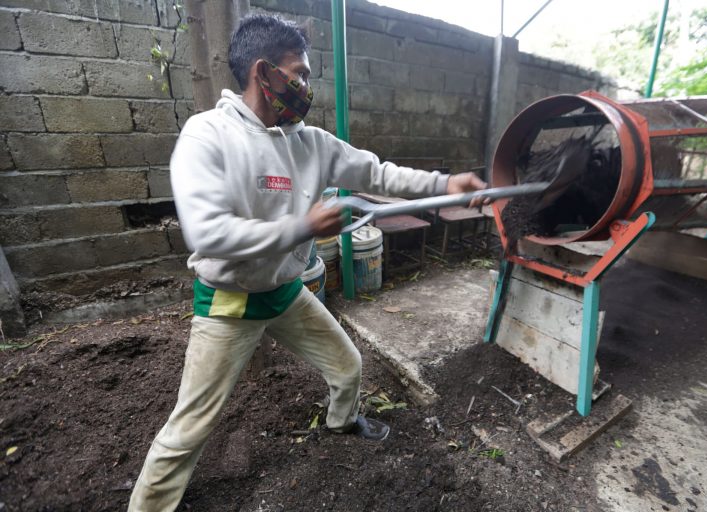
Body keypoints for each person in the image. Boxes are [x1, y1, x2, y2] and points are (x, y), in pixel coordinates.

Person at [128, 13, 487, 511]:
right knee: (192, 426)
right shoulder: (207, 135)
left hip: (286, 292)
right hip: (231, 302)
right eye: (298, 72)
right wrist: (302, 227)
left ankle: (342, 420)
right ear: (263, 73)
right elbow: (208, 233)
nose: (306, 84)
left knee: (347, 365)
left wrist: (445, 186)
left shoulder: (311, 143)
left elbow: (378, 173)